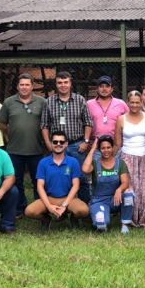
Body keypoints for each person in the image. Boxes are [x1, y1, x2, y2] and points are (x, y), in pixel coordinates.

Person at [41, 71, 93, 203]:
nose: (63, 85)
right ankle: (55, 207)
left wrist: (86, 141)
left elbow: (88, 122)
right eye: (59, 83)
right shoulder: (49, 102)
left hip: (76, 145)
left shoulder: (80, 100)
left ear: (70, 84)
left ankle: (83, 210)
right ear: (56, 85)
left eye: (65, 82)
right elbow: (44, 125)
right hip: (57, 145)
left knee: (81, 177)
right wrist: (48, 143)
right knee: (57, 177)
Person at [0, 73, 46, 216]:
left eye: (27, 85)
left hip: (36, 149)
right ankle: (20, 208)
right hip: (14, 150)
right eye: (21, 85)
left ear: (32, 86)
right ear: (18, 86)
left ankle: (40, 208)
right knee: (16, 180)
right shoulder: (8, 102)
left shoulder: (42, 102)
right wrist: (9, 135)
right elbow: (2, 123)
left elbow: (46, 124)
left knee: (38, 181)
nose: (24, 87)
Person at [24, 131, 89, 230]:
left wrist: (64, 205)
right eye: (55, 142)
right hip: (49, 198)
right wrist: (49, 206)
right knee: (29, 211)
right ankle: (46, 219)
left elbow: (76, 185)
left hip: (69, 198)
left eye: (61, 142)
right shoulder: (43, 162)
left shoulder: (73, 162)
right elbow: (40, 186)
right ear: (51, 143)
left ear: (66, 144)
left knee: (83, 210)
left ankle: (73, 218)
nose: (58, 144)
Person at [114, 90, 145, 227]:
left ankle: (144, 219)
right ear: (127, 103)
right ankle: (129, 218)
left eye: (137, 102)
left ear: (141, 102)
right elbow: (118, 143)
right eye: (132, 102)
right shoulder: (121, 119)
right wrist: (112, 159)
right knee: (130, 188)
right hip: (127, 157)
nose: (135, 105)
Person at [82, 135, 133, 234]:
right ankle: (98, 218)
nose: (106, 150)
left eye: (108, 147)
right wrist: (92, 149)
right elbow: (85, 169)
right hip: (99, 200)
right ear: (99, 149)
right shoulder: (95, 163)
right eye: (103, 148)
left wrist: (119, 190)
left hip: (115, 199)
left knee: (128, 195)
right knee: (101, 225)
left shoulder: (120, 163)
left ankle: (125, 224)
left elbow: (125, 183)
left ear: (112, 147)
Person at [87, 75, 128, 142]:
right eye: (101, 86)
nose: (104, 89)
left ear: (112, 89)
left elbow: (129, 122)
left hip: (116, 145)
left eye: (107, 86)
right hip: (95, 145)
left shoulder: (121, 104)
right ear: (97, 89)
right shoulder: (89, 104)